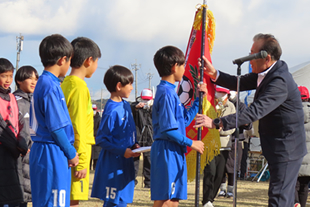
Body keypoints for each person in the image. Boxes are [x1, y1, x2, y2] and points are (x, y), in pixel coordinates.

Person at [194, 33, 307, 207]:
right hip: (279, 147)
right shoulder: (267, 73)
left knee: (279, 197)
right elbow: (238, 82)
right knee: (281, 196)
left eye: (252, 54)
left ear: (267, 58)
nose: (249, 59)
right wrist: (214, 73)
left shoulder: (279, 81)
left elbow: (253, 112)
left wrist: (217, 122)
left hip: (287, 149)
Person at [151, 45, 206, 207]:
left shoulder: (171, 92)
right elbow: (168, 129)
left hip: (173, 149)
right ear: (175, 67)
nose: (184, 69)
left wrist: (197, 100)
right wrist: (192, 143)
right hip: (167, 149)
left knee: (172, 199)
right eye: (183, 65)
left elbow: (184, 120)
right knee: (167, 200)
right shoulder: (166, 93)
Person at [29, 34, 79, 207]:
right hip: (51, 150)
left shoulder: (46, 82)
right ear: (62, 60)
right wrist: (71, 152)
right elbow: (56, 128)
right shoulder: (49, 85)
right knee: (54, 202)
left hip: (44, 150)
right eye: (70, 61)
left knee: (46, 201)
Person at [91, 65, 141, 207]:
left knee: (122, 200)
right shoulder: (111, 110)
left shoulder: (126, 105)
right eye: (130, 84)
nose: (131, 88)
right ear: (119, 86)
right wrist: (122, 151)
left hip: (126, 162)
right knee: (113, 202)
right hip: (114, 163)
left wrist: (134, 145)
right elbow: (101, 139)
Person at [61, 37, 101, 207]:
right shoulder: (79, 87)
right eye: (97, 61)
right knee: (72, 202)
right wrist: (82, 162)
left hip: (67, 153)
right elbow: (78, 126)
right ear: (89, 60)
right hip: (76, 156)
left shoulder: (66, 83)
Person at [0, 58, 28, 207]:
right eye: (4, 75)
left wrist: (22, 141)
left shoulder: (12, 97)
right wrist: (15, 146)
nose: (8, 80)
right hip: (4, 150)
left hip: (14, 151)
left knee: (15, 192)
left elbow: (20, 121)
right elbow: (2, 128)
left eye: (10, 76)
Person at [202, 86, 235, 207]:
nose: (220, 95)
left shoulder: (231, 106)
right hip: (209, 144)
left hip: (224, 145)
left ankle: (211, 198)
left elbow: (233, 126)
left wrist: (219, 129)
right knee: (210, 171)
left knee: (219, 174)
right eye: (218, 92)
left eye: (223, 93)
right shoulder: (209, 103)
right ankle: (206, 200)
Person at [218, 91, 252, 199]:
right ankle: (222, 189)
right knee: (222, 165)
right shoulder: (221, 104)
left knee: (233, 166)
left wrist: (242, 122)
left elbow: (248, 124)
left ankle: (231, 190)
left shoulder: (241, 106)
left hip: (235, 139)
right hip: (222, 138)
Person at [13, 65, 39, 207]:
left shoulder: (35, 101)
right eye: (30, 78)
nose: (33, 81)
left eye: (36, 78)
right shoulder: (14, 102)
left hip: (33, 158)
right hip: (20, 157)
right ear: (19, 80)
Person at [131, 88, 154, 188]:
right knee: (134, 160)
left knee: (149, 160)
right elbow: (129, 107)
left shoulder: (154, 107)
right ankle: (132, 180)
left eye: (147, 100)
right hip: (138, 137)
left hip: (150, 137)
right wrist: (136, 107)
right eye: (144, 99)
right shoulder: (136, 107)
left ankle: (148, 182)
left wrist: (151, 108)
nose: (145, 102)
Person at [294, 86, 310, 207]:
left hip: (296, 154)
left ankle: (295, 203)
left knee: (294, 184)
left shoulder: (292, 112)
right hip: (309, 157)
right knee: (304, 186)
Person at [90, 104, 101, 170]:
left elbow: (100, 129)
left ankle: (95, 170)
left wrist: (94, 135)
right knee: (89, 158)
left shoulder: (99, 119)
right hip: (89, 141)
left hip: (96, 141)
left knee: (96, 158)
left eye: (94, 109)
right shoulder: (88, 118)